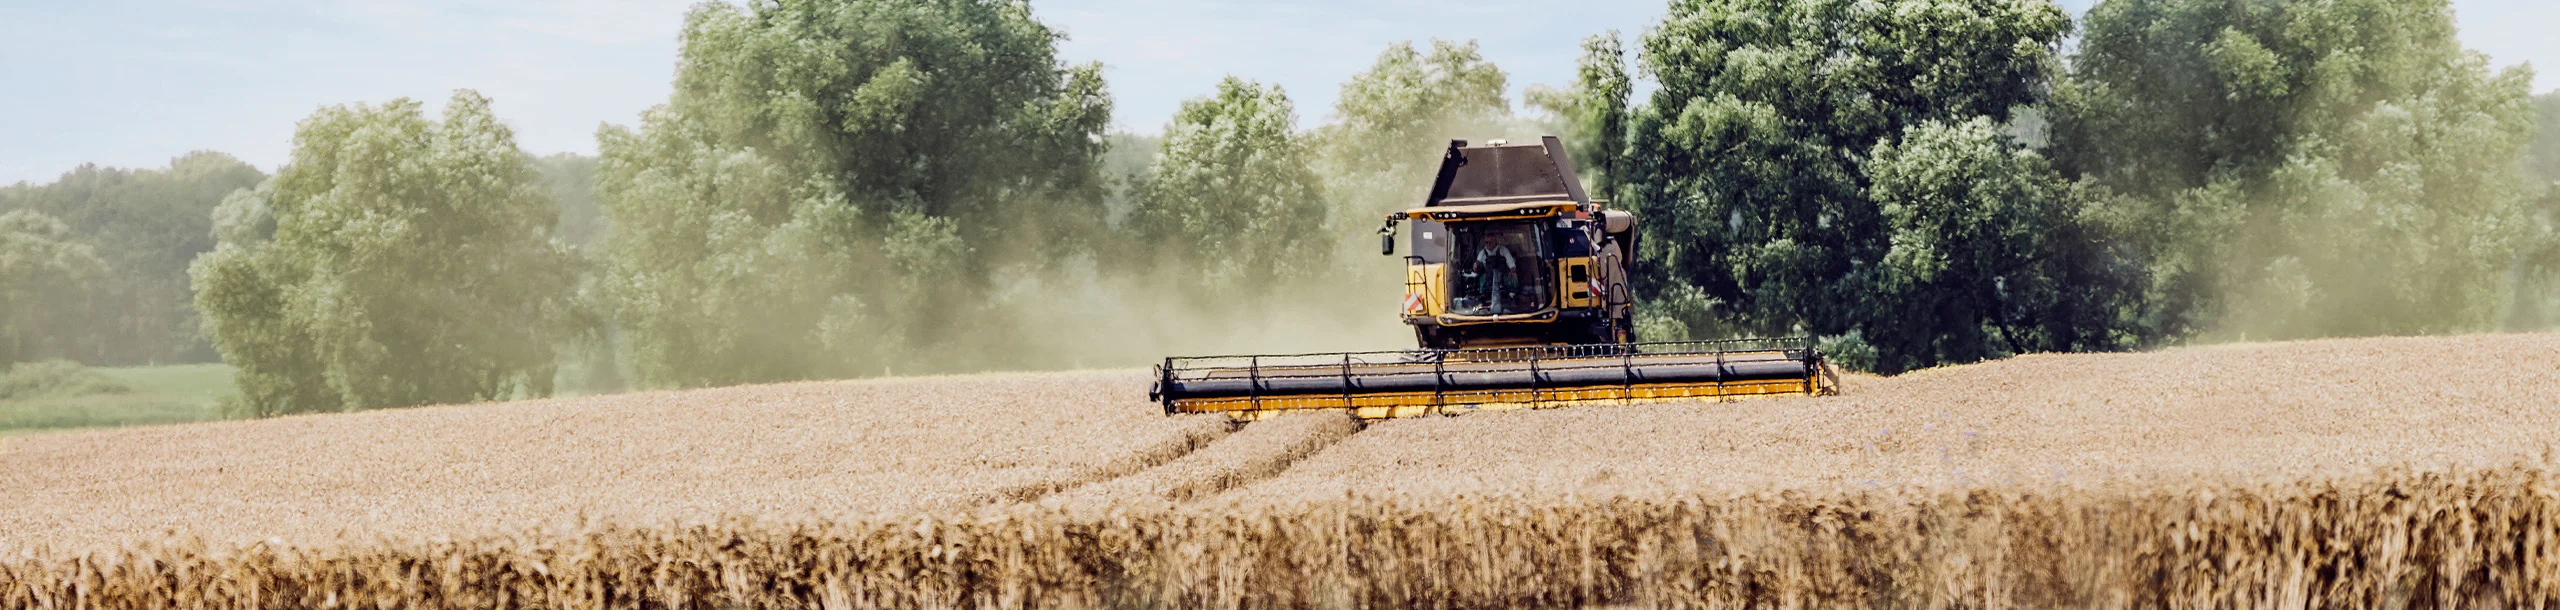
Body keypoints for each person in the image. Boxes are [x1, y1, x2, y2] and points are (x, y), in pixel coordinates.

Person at [1469, 230, 1519, 314]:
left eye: (1490, 242)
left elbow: (1511, 263)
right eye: (1486, 242)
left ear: (1495, 241)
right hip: (1488, 276)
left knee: (1513, 277)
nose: (1488, 244)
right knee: (1481, 278)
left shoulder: (1503, 250)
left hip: (1502, 274)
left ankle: (1511, 296)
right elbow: (1477, 265)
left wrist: (1512, 270)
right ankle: (1483, 296)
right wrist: (1475, 266)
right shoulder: (1483, 252)